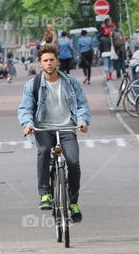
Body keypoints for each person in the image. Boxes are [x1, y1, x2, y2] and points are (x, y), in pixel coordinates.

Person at [18, 44, 90, 222]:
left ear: (57, 61)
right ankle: (45, 194)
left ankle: (73, 203)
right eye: (45, 61)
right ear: (40, 64)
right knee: (43, 152)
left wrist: (82, 121)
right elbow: (25, 108)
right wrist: (27, 124)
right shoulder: (32, 85)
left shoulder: (70, 82)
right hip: (43, 128)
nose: (49, 63)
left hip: (67, 128)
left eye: (51, 60)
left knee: (73, 162)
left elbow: (82, 104)